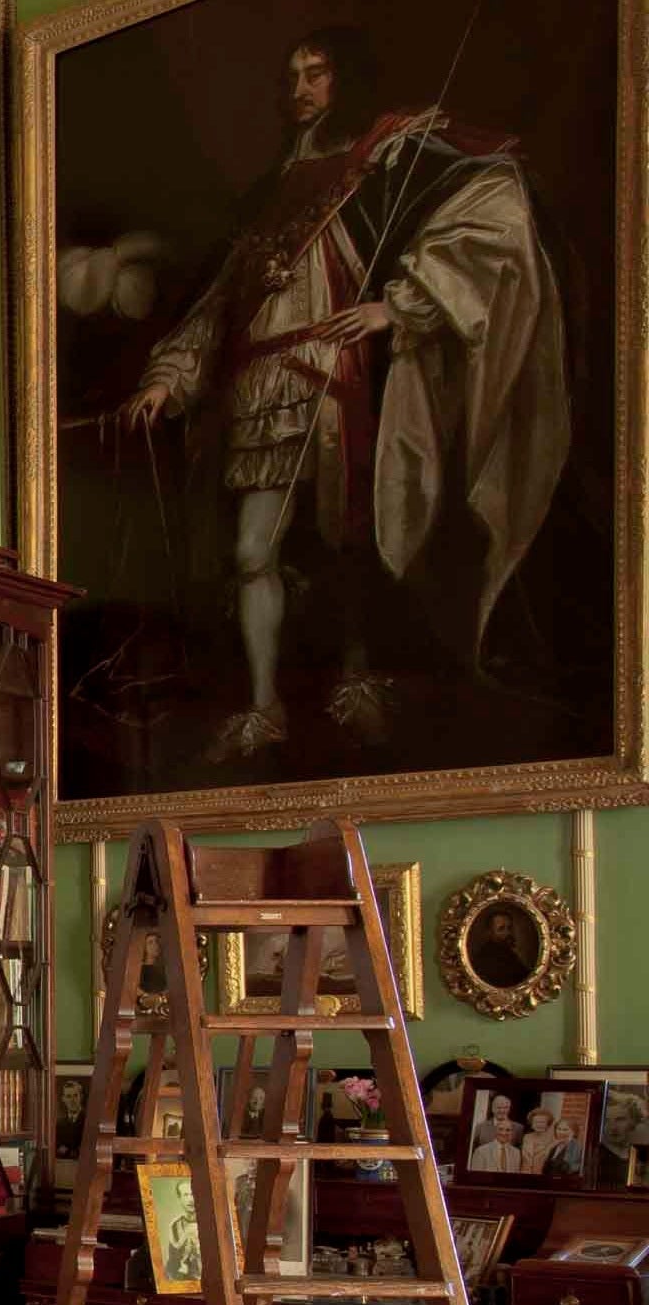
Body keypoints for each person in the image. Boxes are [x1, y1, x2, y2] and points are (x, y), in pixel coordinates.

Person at [115, 28, 568, 761]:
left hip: (332, 369)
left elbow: (491, 198)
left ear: (343, 81)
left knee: (343, 536)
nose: (300, 89)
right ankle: (265, 706)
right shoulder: (268, 195)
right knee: (251, 550)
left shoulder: (380, 163)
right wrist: (169, 377)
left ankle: (356, 676)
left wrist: (401, 304)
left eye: (316, 74)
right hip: (261, 381)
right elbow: (222, 302)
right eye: (291, 74)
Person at [521, 1106, 581, 1178]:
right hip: (524, 1173)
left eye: (542, 1122)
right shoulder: (526, 1137)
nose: (539, 1124)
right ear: (531, 1123)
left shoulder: (554, 1139)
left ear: (548, 1124)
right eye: (536, 1122)